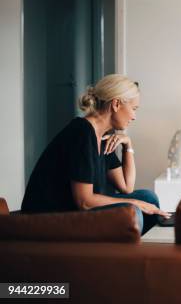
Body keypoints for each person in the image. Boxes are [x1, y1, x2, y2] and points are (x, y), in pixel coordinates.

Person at [21, 74, 170, 234]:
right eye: (133, 109)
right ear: (116, 104)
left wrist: (128, 145)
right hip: (49, 218)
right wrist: (134, 203)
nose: (134, 116)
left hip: (74, 210)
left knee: (148, 199)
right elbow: (84, 201)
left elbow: (127, 186)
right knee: (134, 212)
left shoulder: (103, 137)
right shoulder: (82, 133)